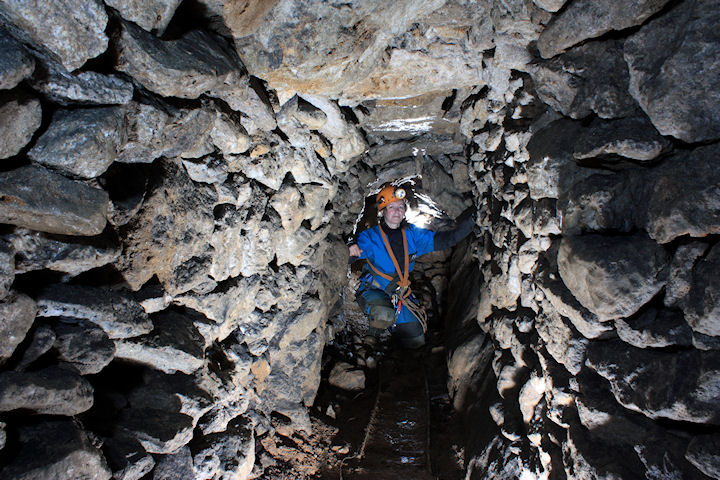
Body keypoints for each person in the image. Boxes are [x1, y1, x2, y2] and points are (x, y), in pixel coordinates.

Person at [348, 183, 475, 349]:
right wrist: (350, 246)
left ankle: (394, 329)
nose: (397, 211)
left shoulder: (413, 234)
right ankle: (373, 335)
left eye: (400, 207)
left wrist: (472, 220)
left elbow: (447, 239)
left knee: (416, 339)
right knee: (384, 314)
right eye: (391, 207)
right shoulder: (371, 237)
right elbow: (350, 254)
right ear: (383, 211)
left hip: (399, 293)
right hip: (374, 289)